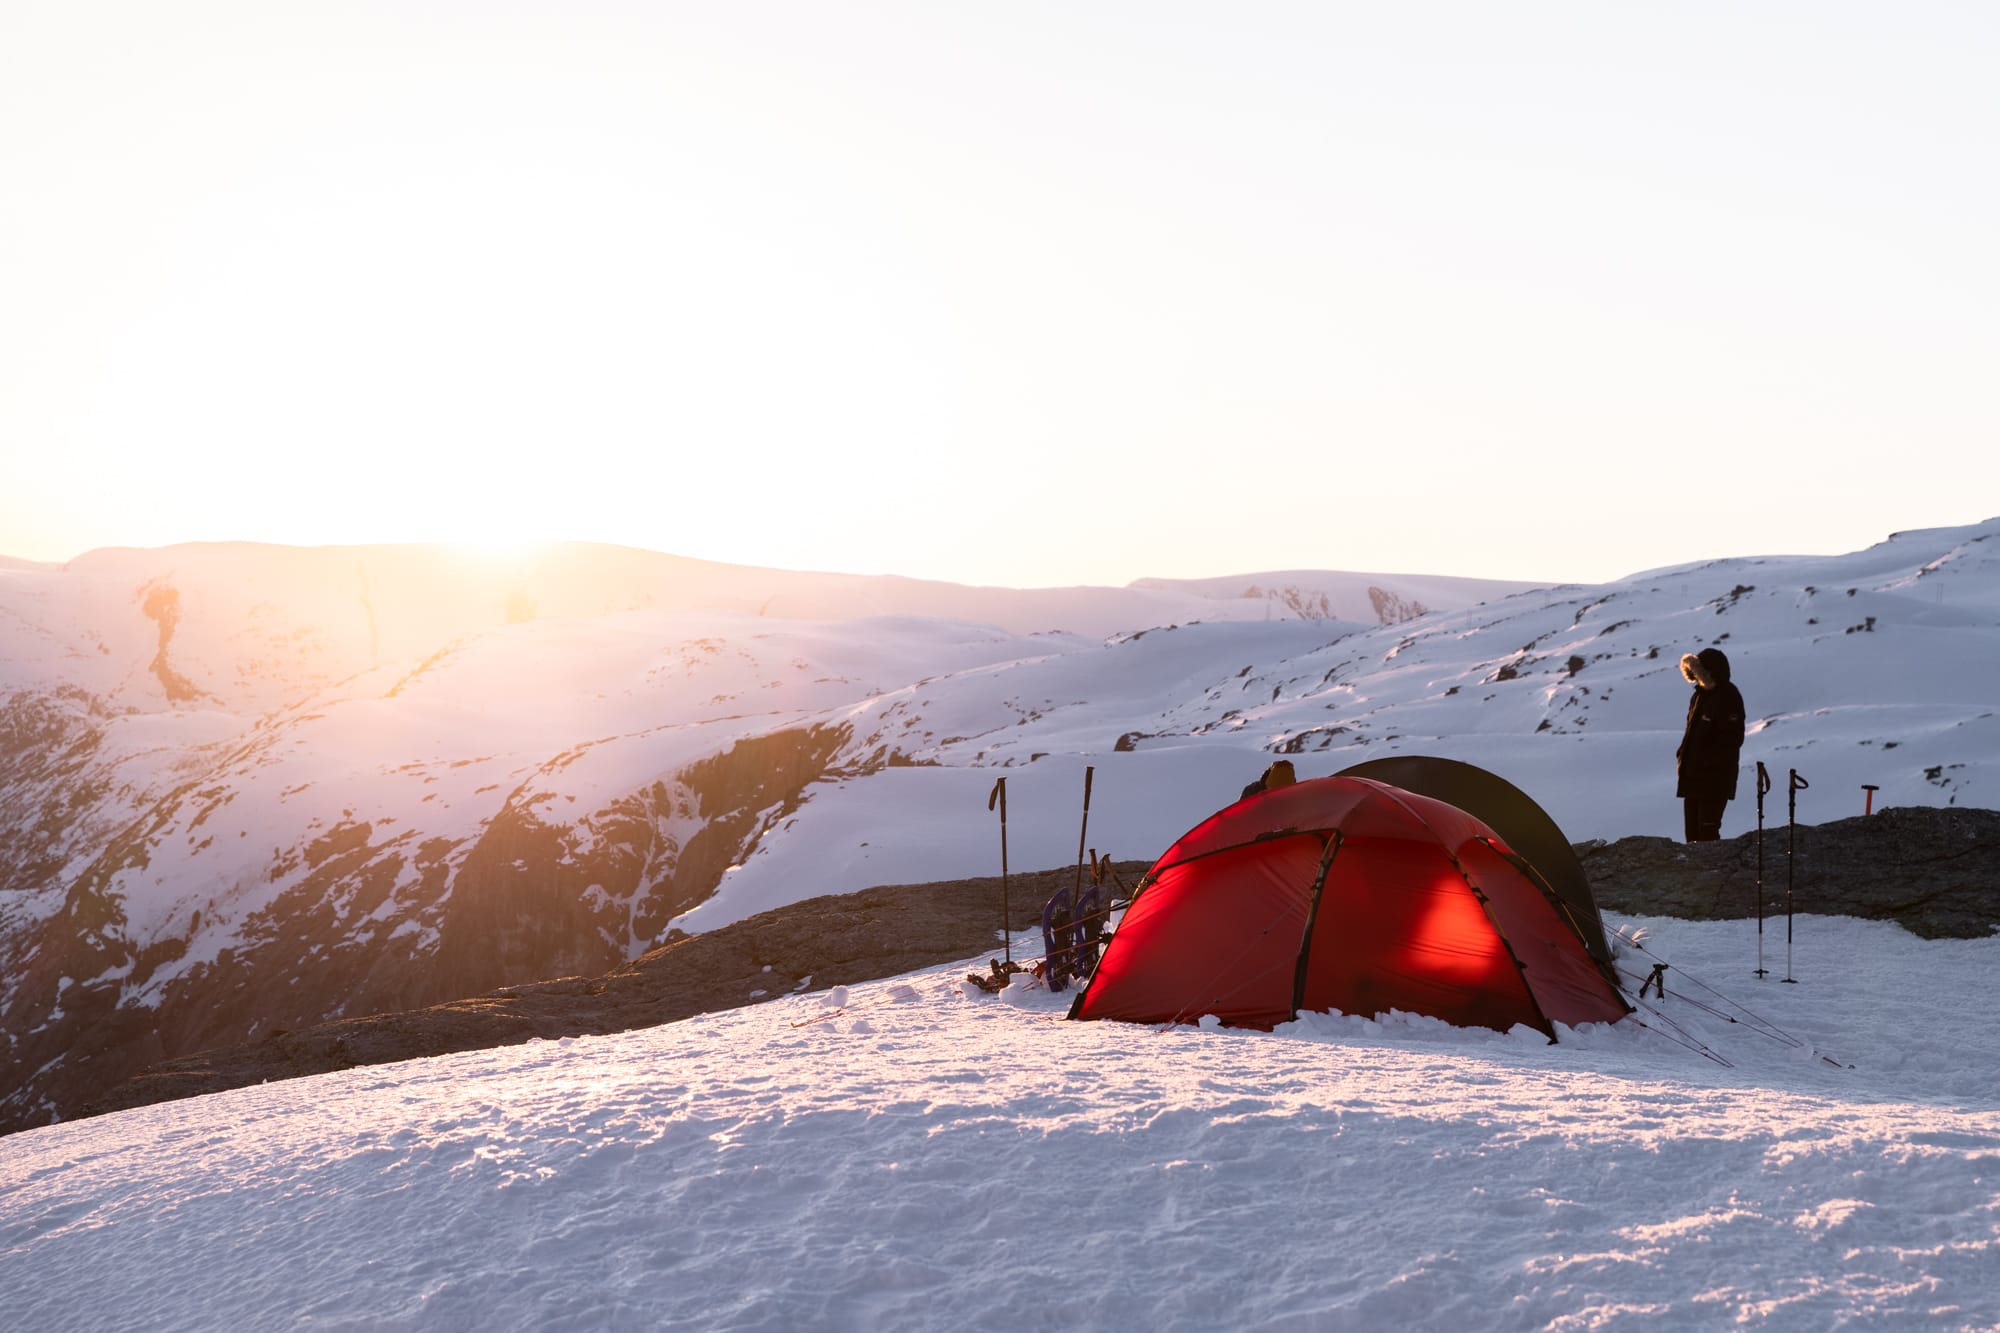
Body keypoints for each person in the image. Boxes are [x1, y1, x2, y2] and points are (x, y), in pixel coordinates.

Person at [1676, 647, 1745, 842]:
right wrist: (1684, 757)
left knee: (1707, 833)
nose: (1696, 677)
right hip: (1692, 778)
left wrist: (1707, 762)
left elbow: (1732, 739)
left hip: (1714, 780)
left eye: (1699, 672)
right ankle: (1696, 872)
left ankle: (1712, 872)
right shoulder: (1699, 696)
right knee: (1692, 837)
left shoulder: (1728, 696)